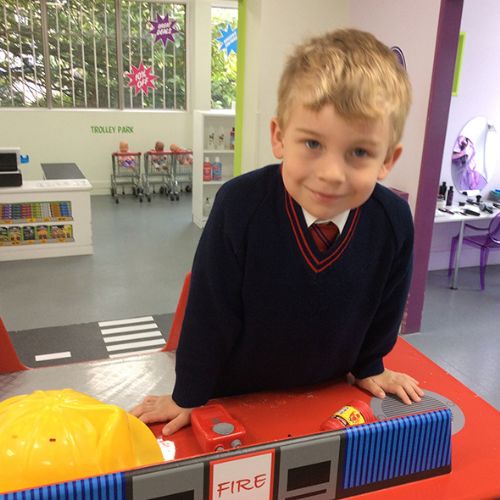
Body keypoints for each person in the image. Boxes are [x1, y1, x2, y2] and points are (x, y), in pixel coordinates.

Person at [131, 28, 424, 435]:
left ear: (387, 160)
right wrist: (189, 395)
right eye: (313, 144)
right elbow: (208, 311)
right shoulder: (239, 206)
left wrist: (370, 364)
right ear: (280, 137)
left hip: (328, 394)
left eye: (359, 152)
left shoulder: (392, 219)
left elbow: (387, 306)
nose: (331, 174)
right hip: (236, 397)